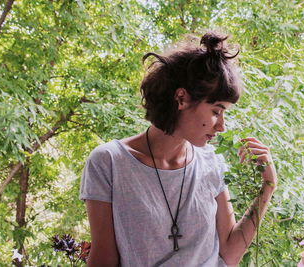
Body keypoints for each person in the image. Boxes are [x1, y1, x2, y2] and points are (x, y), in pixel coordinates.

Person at [80, 31, 277, 267]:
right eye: (216, 111)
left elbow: (229, 254)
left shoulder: (210, 163)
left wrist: (268, 186)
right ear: (181, 98)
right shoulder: (109, 162)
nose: (222, 126)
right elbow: (104, 259)